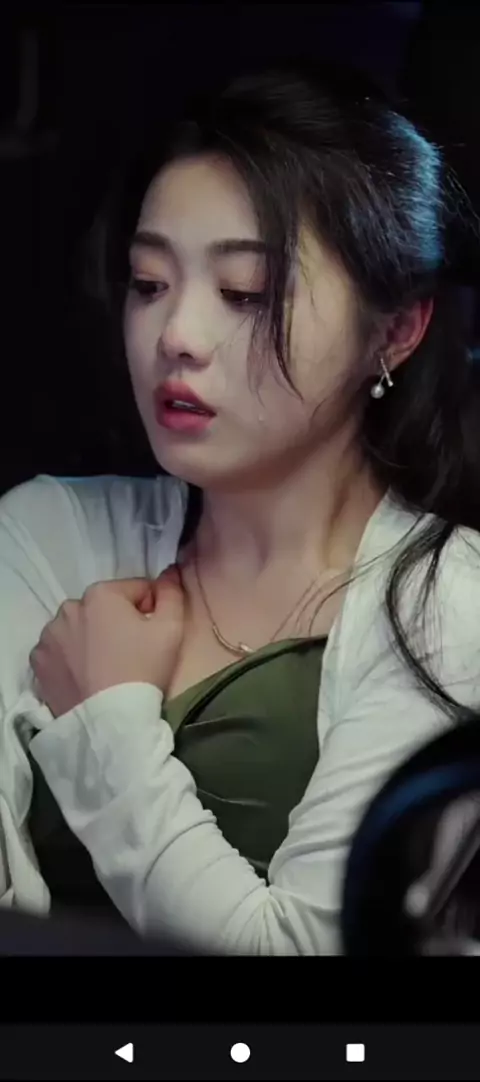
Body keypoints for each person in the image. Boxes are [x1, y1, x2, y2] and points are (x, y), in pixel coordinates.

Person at [0, 62, 479, 955]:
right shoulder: (46, 536)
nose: (176, 336)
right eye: (149, 283)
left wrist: (107, 722)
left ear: (396, 331)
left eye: (244, 293)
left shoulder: (446, 608)